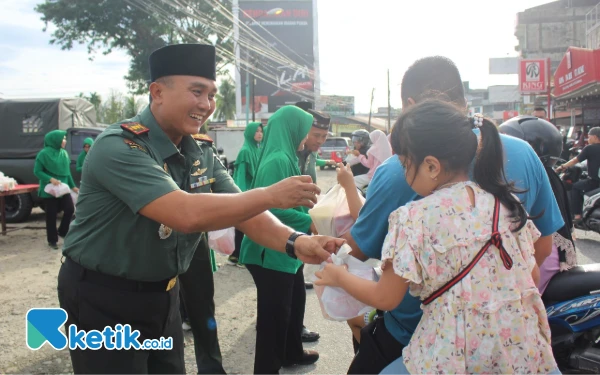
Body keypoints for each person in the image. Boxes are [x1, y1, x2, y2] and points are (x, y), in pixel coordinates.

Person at [57, 44, 343, 375]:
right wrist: (270, 195)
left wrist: (296, 242)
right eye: (197, 92)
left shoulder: (198, 151)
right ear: (158, 92)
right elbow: (186, 214)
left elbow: (242, 211)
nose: (206, 105)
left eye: (210, 94)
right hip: (104, 299)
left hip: (164, 294)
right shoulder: (120, 147)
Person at [341, 56, 564, 375]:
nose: (404, 169)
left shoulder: (405, 196)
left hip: (431, 343)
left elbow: (377, 279)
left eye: (406, 163)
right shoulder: (509, 189)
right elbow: (538, 257)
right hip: (514, 346)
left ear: (412, 106)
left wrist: (329, 266)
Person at [239, 105, 320, 375]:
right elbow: (269, 209)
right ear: (291, 128)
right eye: (304, 131)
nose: (305, 137)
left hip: (286, 249)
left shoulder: (285, 156)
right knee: (274, 319)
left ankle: (291, 351)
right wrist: (309, 221)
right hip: (271, 250)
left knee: (295, 300)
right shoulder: (277, 160)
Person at [499, 116, 577, 294]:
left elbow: (543, 245)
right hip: (548, 254)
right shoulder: (549, 174)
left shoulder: (524, 174)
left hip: (540, 257)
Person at [33, 130, 78, 250]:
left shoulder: (64, 154)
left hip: (63, 189)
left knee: (69, 209)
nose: (65, 141)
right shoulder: (43, 154)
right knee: (51, 215)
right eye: (63, 138)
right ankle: (52, 240)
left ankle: (63, 231)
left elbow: (67, 173)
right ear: (55, 140)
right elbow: (37, 171)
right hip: (50, 190)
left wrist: (73, 186)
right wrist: (50, 179)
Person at [227, 121, 263, 267]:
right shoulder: (245, 151)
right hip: (246, 193)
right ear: (249, 133)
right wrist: (241, 198)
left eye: (261, 131)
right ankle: (240, 258)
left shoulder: (258, 149)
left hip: (255, 193)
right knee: (245, 227)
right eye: (256, 131)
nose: (260, 134)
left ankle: (235, 256)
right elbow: (240, 177)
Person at [556, 126, 600, 224]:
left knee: (575, 187)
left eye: (589, 137)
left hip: (594, 181)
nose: (588, 139)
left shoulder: (590, 148)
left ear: (595, 137)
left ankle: (577, 215)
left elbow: (575, 160)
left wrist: (562, 167)